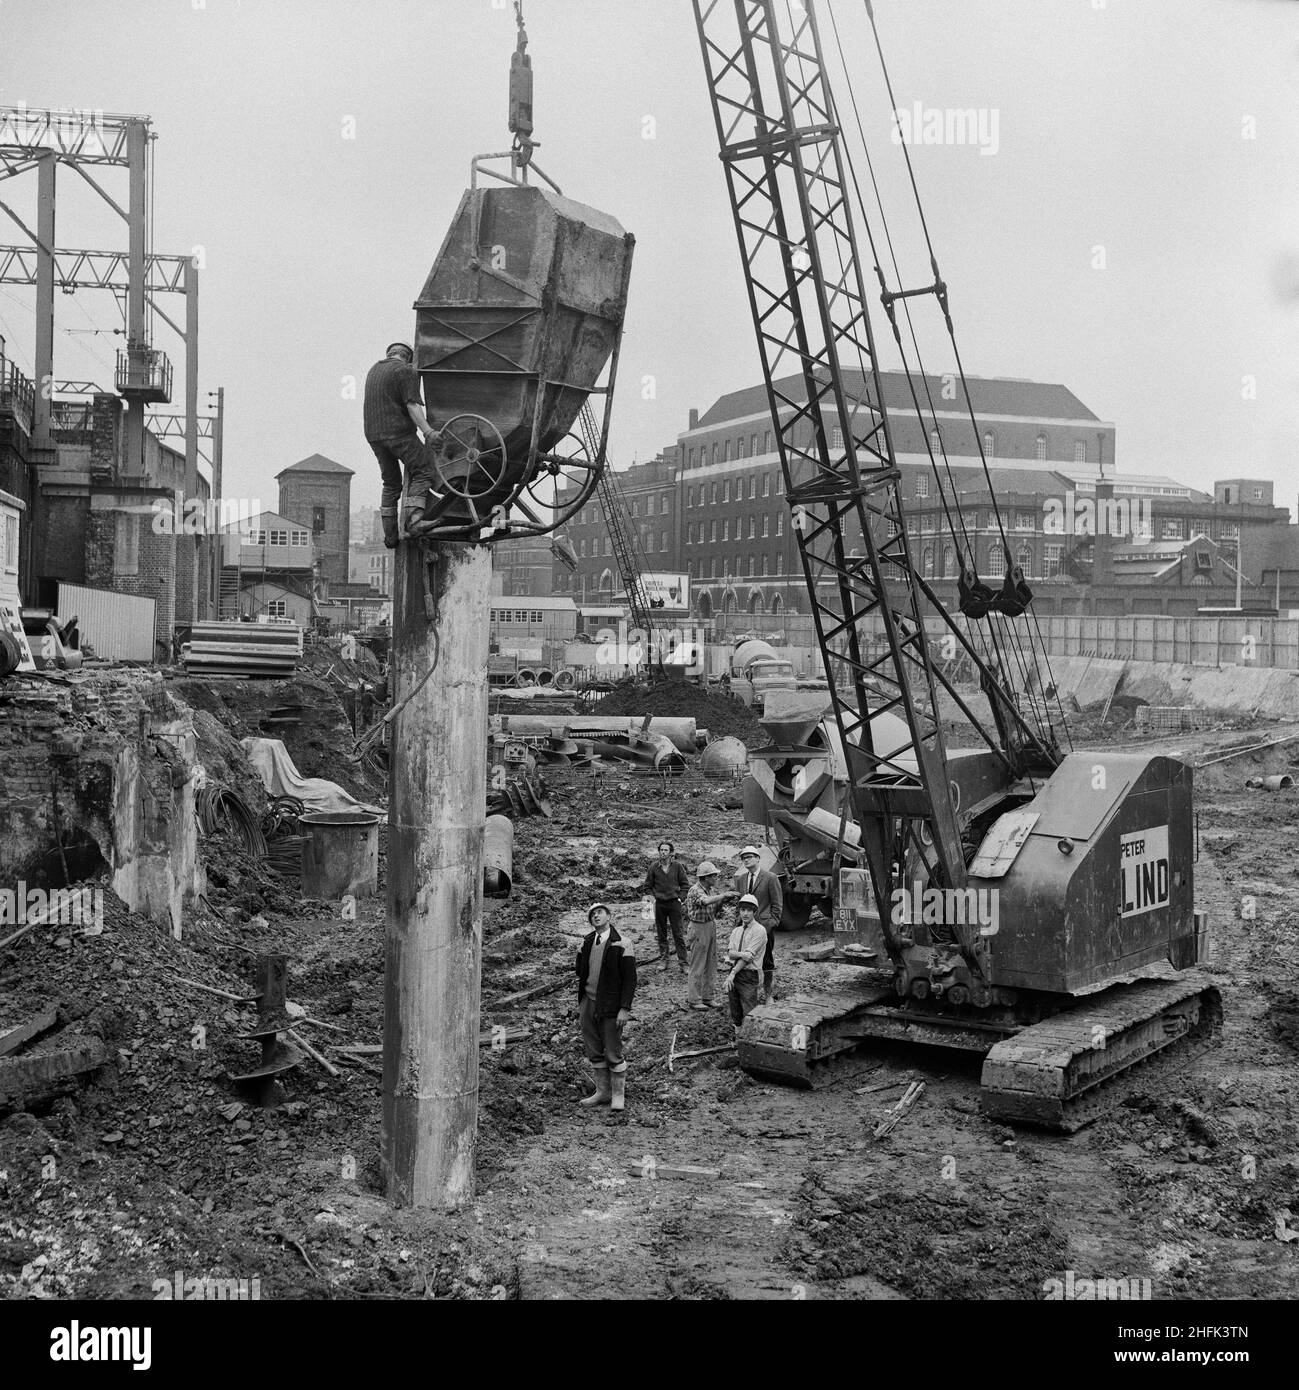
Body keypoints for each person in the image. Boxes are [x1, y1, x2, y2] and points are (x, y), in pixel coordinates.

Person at [362, 342, 444, 549]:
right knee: (424, 469)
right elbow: (412, 405)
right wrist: (428, 432)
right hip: (397, 432)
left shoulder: (374, 370)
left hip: (374, 435)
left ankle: (390, 536)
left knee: (391, 483)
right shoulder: (405, 371)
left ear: (389, 354)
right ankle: (414, 522)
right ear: (409, 357)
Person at [575, 903, 637, 1112]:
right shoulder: (587, 942)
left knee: (612, 1049)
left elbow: (630, 980)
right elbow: (579, 971)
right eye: (592, 915)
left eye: (600, 912)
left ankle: (618, 1094)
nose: (596, 916)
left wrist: (625, 1008)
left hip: (610, 1004)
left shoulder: (622, 943)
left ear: (609, 916)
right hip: (588, 1002)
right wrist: (579, 952)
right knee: (593, 1048)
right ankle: (603, 1091)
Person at [732, 845, 784, 1003]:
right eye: (743, 858)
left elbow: (777, 904)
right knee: (744, 960)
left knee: (767, 962)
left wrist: (771, 924)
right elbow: (739, 904)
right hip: (744, 927)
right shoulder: (741, 879)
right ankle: (746, 994)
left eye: (749, 857)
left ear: (758, 858)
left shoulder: (770, 878)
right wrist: (737, 924)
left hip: (764, 928)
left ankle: (768, 994)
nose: (746, 860)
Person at [684, 862, 736, 1012]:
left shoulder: (711, 890)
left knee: (711, 963)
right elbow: (705, 901)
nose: (716, 878)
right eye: (713, 876)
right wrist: (723, 895)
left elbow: (715, 908)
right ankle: (694, 999)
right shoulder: (695, 890)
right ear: (705, 878)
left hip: (710, 925)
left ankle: (708, 996)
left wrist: (723, 899)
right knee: (698, 964)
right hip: (698, 927)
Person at [643, 841, 690, 973]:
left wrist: (681, 898)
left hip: (674, 903)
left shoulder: (678, 867)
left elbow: (685, 885)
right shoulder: (653, 867)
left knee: (678, 934)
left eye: (665, 850)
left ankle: (683, 962)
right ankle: (664, 959)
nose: (663, 852)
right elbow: (647, 886)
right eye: (661, 850)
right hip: (660, 904)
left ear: (671, 853)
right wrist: (652, 898)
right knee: (661, 933)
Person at [725, 894, 768, 1033]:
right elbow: (731, 953)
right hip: (734, 973)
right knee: (735, 1010)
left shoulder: (759, 930)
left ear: (755, 912)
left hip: (748, 975)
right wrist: (742, 954)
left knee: (750, 1012)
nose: (745, 913)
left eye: (749, 910)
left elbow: (748, 958)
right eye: (742, 910)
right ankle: (738, 1039)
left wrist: (733, 972)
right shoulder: (736, 931)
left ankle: (751, 1041)